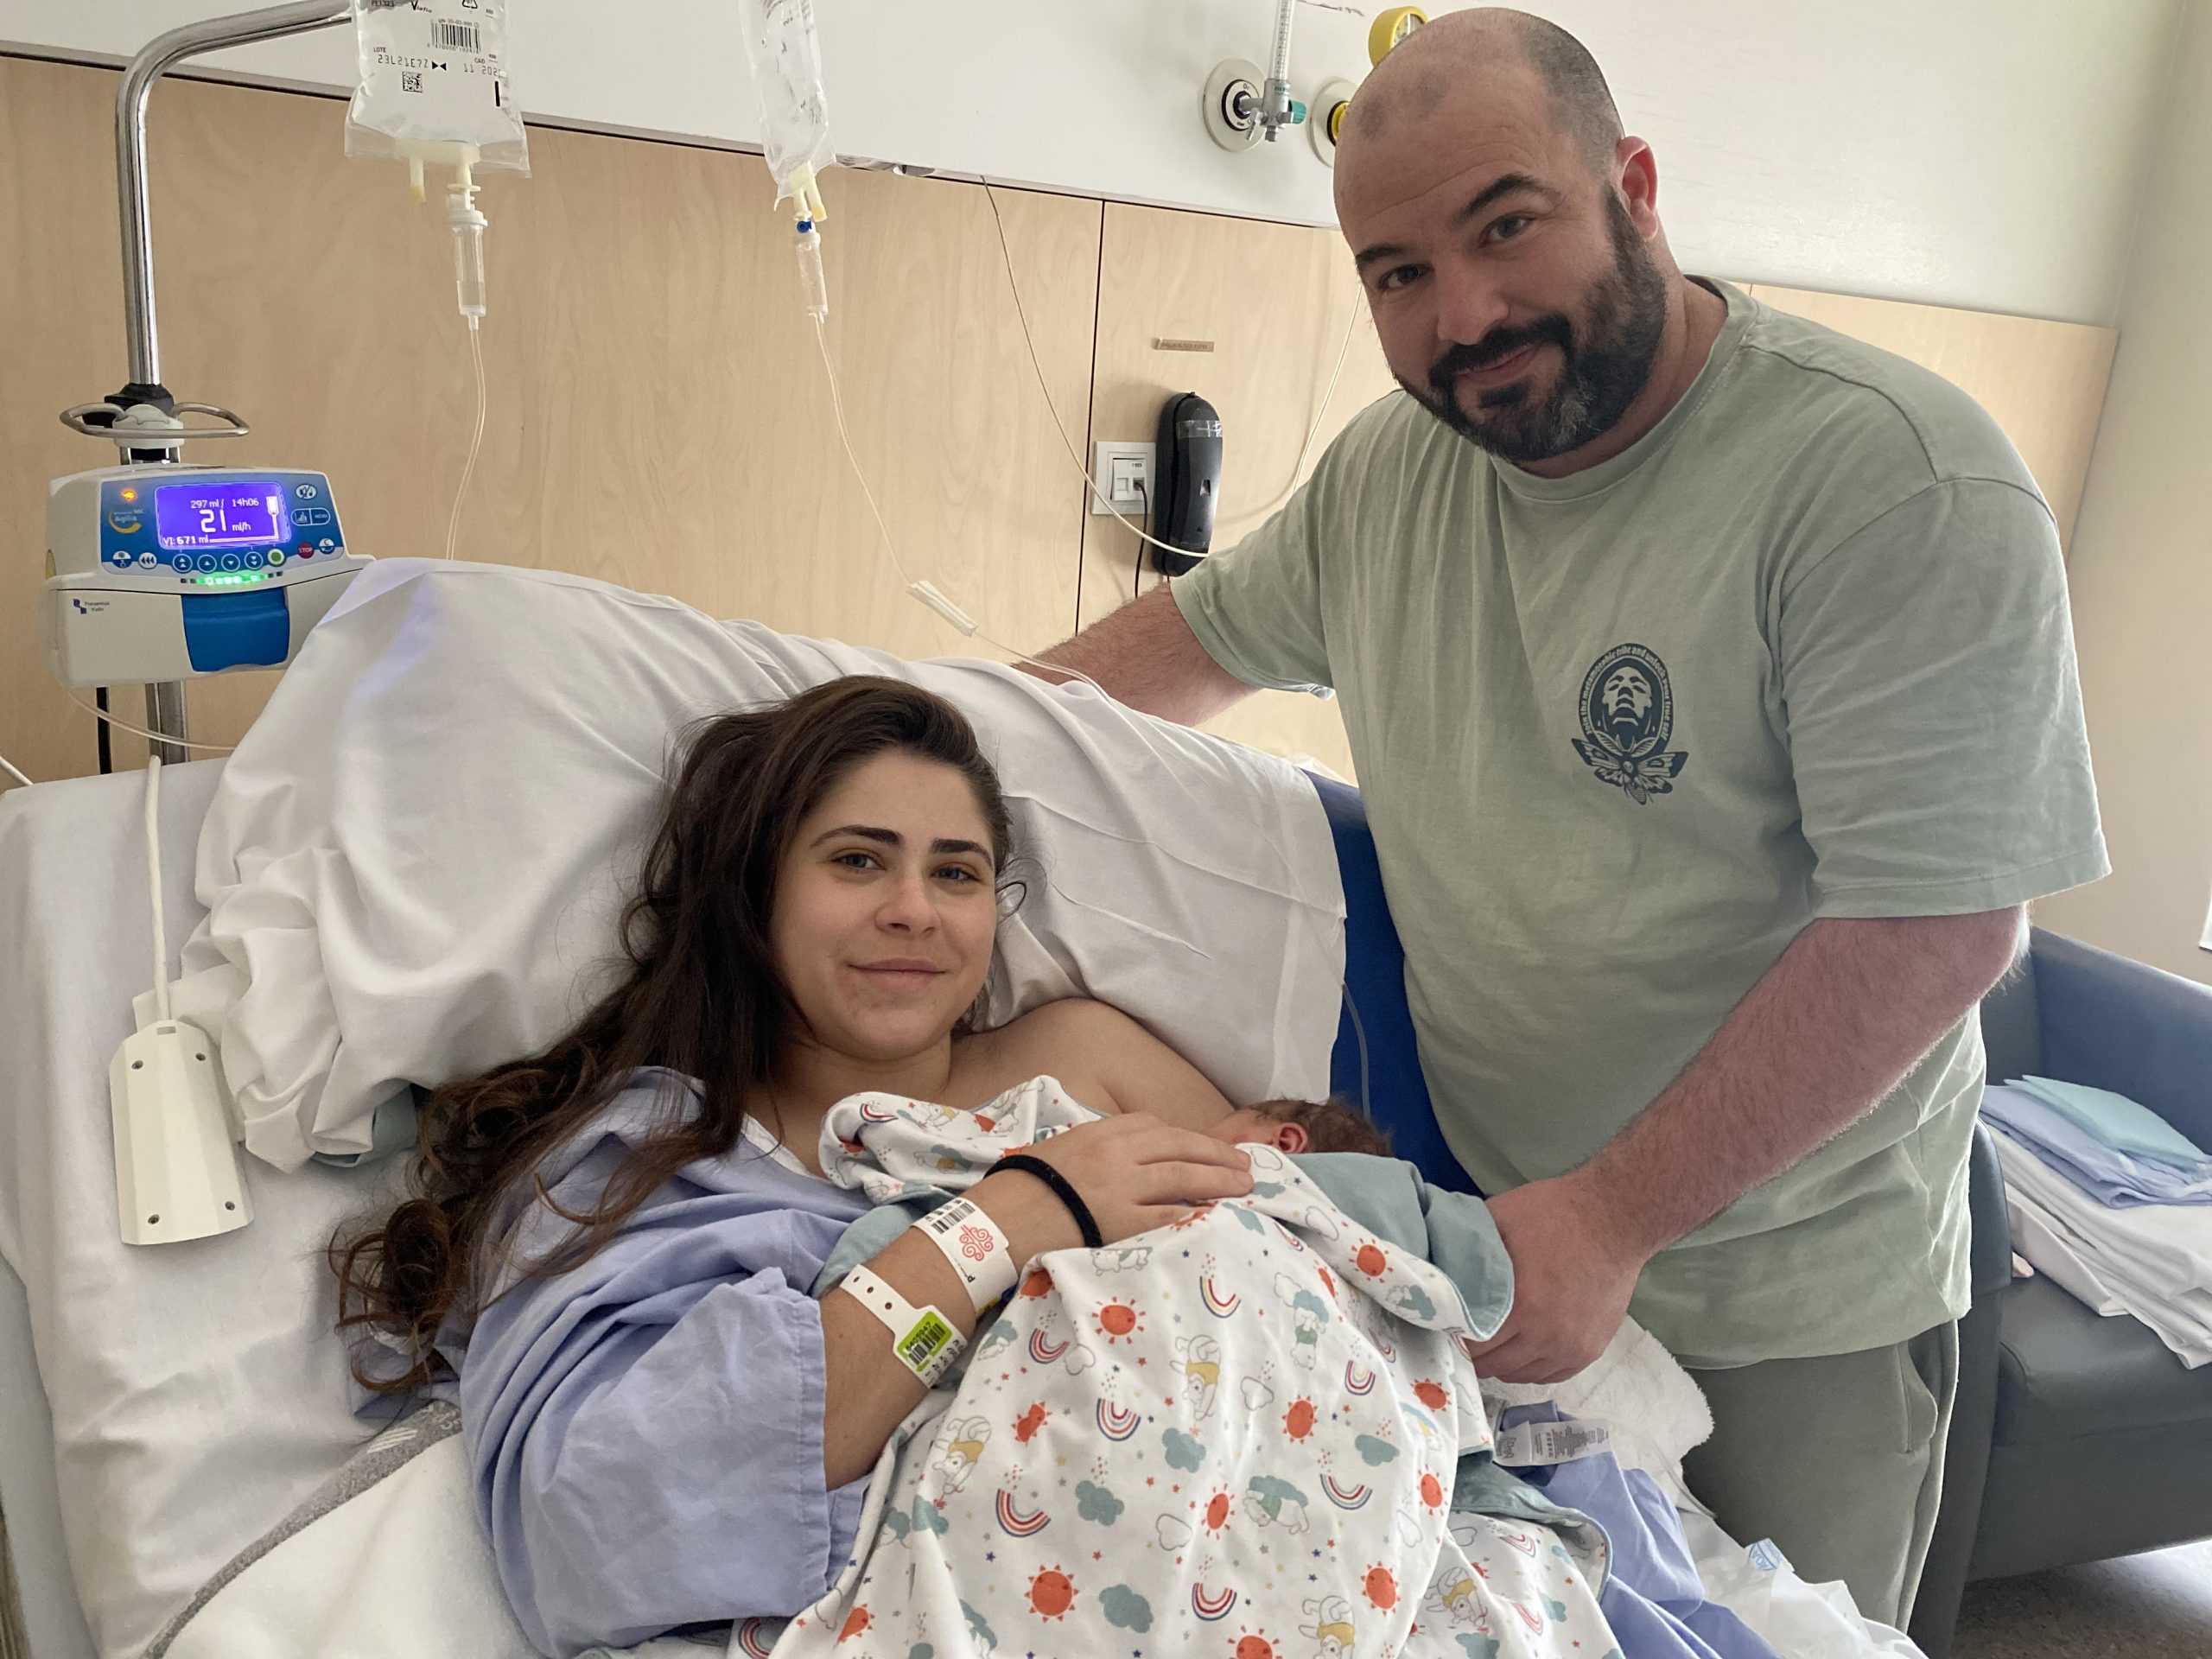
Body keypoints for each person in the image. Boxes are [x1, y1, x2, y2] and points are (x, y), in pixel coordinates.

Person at [1030, 6, 2107, 1627]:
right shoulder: (1390, 480)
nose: (1462, 314)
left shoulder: (1886, 481)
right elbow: (1154, 662)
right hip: (1493, 1248)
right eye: (1398, 272)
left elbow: (1941, 923)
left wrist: (1612, 1218)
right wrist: (875, 740)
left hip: (1783, 1297)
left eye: (1507, 226)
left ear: (1636, 189)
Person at [333, 678, 1258, 1656]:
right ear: (755, 893)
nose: (914, 910)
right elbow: (597, 1522)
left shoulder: (1085, 1056)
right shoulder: (645, 1161)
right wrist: (1012, 1219)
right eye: (857, 860)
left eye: (956, 873)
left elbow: (1314, 1231)